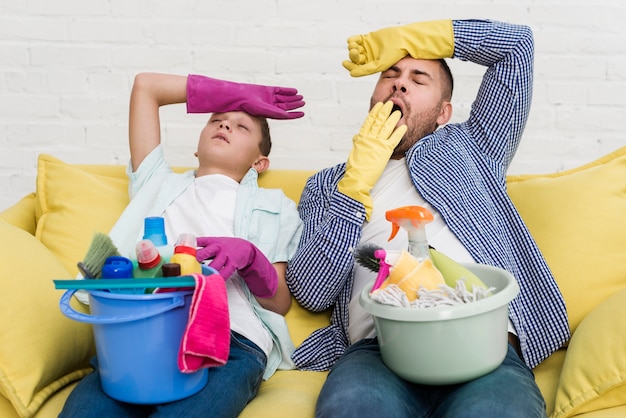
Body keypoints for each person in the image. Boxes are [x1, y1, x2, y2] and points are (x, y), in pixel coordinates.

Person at [286, 19, 570, 417]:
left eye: (418, 78)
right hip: (378, 349)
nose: (399, 84)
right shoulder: (329, 185)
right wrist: (354, 187)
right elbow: (312, 291)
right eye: (390, 75)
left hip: (481, 342)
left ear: (443, 112)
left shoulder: (474, 148)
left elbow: (517, 46)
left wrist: (403, 40)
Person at [60, 72, 305, 418]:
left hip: (231, 340)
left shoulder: (276, 205)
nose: (225, 126)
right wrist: (242, 93)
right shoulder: (155, 183)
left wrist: (251, 259)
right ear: (196, 145)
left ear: (259, 162)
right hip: (141, 333)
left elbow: (278, 302)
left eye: (241, 125)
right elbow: (146, 87)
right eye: (217, 120)